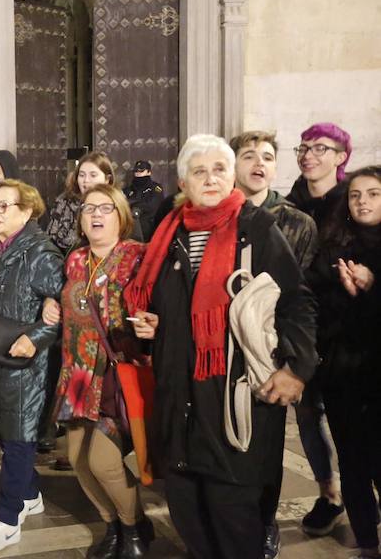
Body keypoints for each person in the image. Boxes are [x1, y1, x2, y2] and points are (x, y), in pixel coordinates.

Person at [125, 134, 319, 559]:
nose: (210, 178)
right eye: (199, 171)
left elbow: (296, 301)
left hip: (235, 398)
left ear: (231, 176)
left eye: (219, 169)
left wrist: (297, 368)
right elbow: (175, 303)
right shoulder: (169, 233)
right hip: (180, 395)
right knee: (187, 510)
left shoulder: (258, 230)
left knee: (234, 515)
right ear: (183, 182)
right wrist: (159, 321)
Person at [229, 130, 330, 554]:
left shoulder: (295, 221)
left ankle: (265, 519)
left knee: (268, 441)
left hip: (272, 348)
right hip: (227, 344)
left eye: (267, 157)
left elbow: (298, 294)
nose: (258, 162)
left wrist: (294, 362)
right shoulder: (221, 215)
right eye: (248, 155)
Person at [47, 184, 154, 559]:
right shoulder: (75, 259)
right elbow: (65, 296)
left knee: (104, 462)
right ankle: (113, 524)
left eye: (105, 208)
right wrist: (50, 301)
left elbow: (158, 305)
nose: (95, 215)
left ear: (121, 215)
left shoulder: (137, 256)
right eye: (89, 208)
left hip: (115, 374)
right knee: (77, 461)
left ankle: (135, 528)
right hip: (77, 372)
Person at [0, 179, 65, 551]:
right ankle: (29, 494)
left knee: (20, 435)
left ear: (27, 212)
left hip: (27, 360)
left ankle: (8, 517)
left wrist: (37, 337)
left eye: (5, 206)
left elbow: (65, 305)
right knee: (4, 431)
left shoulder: (40, 253)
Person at [306, 165, 381, 559]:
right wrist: (346, 292)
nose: (363, 201)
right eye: (356, 195)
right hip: (342, 374)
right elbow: (315, 305)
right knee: (352, 459)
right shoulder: (333, 247)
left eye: (372, 194)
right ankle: (366, 540)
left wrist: (372, 288)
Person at [287, 122, 351, 232]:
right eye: (303, 149)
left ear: (340, 158)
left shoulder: (352, 205)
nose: (307, 156)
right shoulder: (287, 208)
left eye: (320, 149)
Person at [48, 151, 115, 254]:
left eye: (93, 175)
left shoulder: (117, 205)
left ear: (107, 179)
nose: (86, 180)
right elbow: (50, 240)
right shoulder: (63, 202)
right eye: (82, 175)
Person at [123, 160, 165, 241]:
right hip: (131, 231)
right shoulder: (128, 190)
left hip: (150, 230)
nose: (138, 173)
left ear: (149, 172)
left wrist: (136, 206)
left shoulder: (155, 188)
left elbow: (154, 206)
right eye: (136, 171)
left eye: (141, 171)